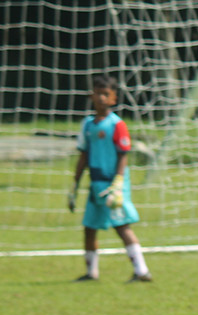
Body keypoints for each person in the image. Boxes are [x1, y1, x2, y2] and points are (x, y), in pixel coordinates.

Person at [68, 74, 151, 282]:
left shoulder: (117, 124)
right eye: (98, 93)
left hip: (113, 183)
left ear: (113, 99)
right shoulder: (87, 125)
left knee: (122, 226)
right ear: (91, 96)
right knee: (89, 228)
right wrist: (74, 185)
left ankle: (141, 270)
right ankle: (91, 272)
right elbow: (83, 155)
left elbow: (123, 154)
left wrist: (119, 182)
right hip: (95, 184)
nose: (102, 98)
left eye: (106, 94)